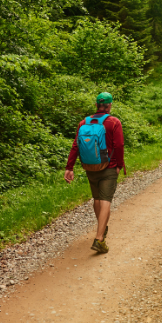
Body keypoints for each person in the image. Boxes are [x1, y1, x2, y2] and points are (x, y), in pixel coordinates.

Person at [64, 92, 125, 254]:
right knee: (106, 200)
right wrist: (119, 165)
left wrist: (69, 167)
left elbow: (76, 145)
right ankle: (99, 239)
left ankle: (101, 229)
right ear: (110, 105)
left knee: (97, 199)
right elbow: (119, 146)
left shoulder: (84, 122)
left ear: (97, 105)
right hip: (108, 167)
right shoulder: (114, 122)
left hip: (89, 167)